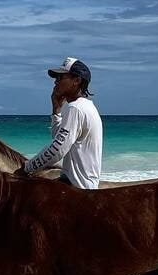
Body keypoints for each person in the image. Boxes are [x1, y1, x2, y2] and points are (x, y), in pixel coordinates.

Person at [20, 57, 103, 189]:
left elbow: (57, 150)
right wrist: (56, 111)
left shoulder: (76, 108)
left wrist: (26, 168)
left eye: (60, 78)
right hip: (82, 184)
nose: (55, 82)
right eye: (55, 79)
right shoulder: (85, 106)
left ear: (77, 80)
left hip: (77, 187)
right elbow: (58, 138)